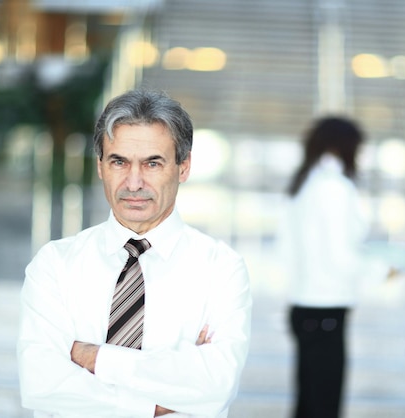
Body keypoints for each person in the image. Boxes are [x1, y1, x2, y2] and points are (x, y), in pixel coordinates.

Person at [17, 88, 252, 418]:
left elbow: (216, 385)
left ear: (183, 167)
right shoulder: (55, 265)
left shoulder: (221, 269)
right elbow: (41, 383)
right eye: (119, 161)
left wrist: (95, 358)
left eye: (153, 163)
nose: (134, 182)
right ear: (100, 166)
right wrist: (158, 403)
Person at [279, 116, 384, 418]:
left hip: (304, 305)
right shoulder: (334, 187)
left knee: (309, 401)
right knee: (324, 403)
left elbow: (286, 248)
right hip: (326, 309)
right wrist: (383, 269)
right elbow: (341, 255)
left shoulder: (304, 184)